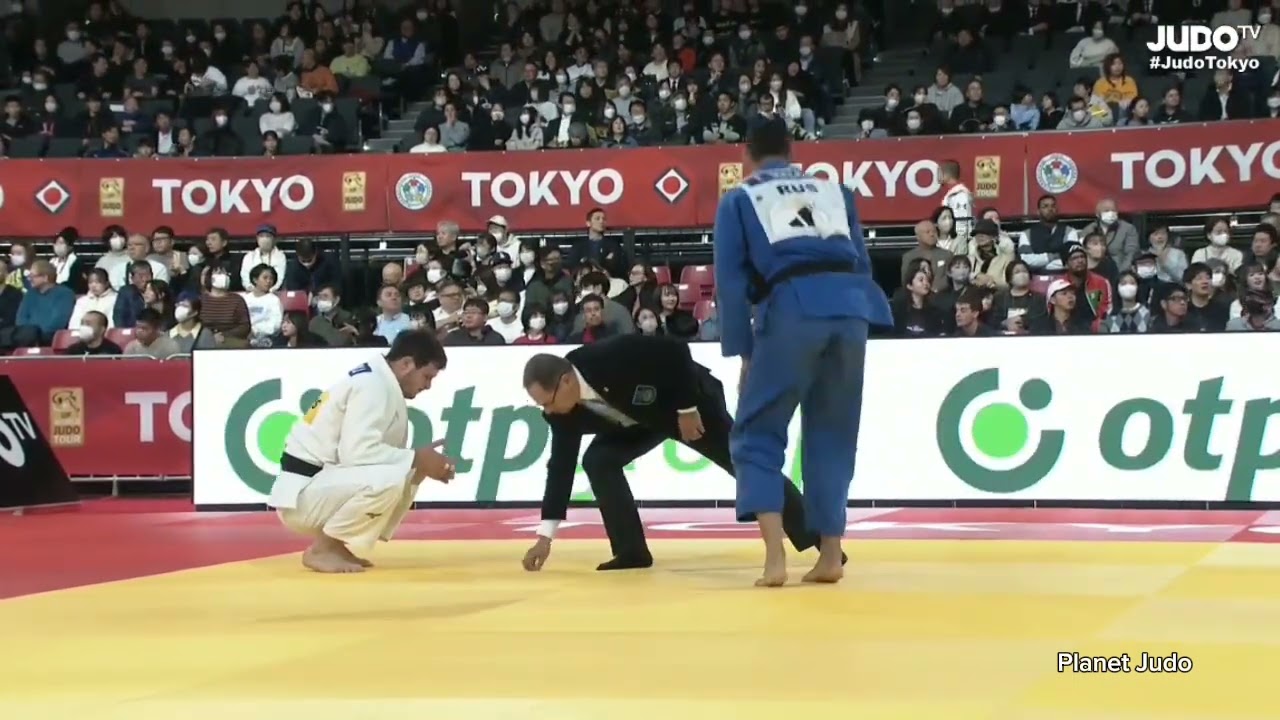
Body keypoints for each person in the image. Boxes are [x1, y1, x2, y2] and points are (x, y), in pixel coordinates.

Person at [712, 121, 892, 587]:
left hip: (792, 307)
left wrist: (743, 352)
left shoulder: (740, 198)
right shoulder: (835, 191)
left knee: (755, 432)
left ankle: (775, 559)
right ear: (792, 152)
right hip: (852, 309)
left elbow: (730, 283)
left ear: (747, 155)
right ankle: (830, 555)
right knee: (833, 433)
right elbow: (862, 260)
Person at [520, 335, 832, 573]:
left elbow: (675, 350)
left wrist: (687, 408)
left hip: (687, 400)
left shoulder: (605, 357)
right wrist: (545, 537)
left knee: (744, 462)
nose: (547, 411)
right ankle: (631, 551)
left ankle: (823, 543)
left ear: (566, 381)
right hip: (638, 420)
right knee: (598, 460)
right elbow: (560, 468)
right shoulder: (561, 414)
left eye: (547, 401)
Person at [267, 330, 458, 573]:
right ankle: (323, 548)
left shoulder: (376, 379)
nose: (428, 386)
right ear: (406, 364)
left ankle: (335, 545)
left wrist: (420, 463)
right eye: (427, 376)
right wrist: (416, 458)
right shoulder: (372, 385)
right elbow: (356, 453)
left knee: (407, 470)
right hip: (303, 497)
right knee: (390, 477)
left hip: (316, 488)